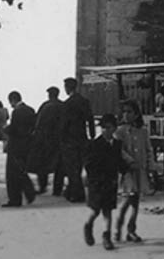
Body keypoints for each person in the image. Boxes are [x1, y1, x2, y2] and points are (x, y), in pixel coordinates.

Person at [113, 100, 155, 242]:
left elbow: (148, 149)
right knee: (127, 199)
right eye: (124, 112)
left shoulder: (143, 131)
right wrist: (130, 161)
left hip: (140, 170)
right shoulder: (119, 132)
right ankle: (119, 226)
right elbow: (119, 150)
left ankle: (131, 229)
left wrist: (151, 166)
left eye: (129, 112)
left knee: (135, 200)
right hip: (127, 171)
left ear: (136, 114)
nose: (126, 114)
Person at [83, 113, 125, 250]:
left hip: (110, 182)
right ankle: (88, 225)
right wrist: (93, 179)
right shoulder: (95, 145)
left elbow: (119, 161)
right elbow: (89, 164)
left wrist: (126, 169)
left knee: (108, 210)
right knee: (96, 210)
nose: (105, 130)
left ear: (114, 128)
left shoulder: (117, 145)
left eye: (108, 127)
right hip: (97, 183)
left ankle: (106, 236)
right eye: (103, 127)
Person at [60, 77, 95, 203]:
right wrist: (92, 135)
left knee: (72, 168)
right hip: (82, 138)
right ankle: (72, 192)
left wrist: (62, 138)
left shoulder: (67, 104)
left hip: (70, 140)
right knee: (79, 166)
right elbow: (90, 119)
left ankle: (77, 194)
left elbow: (64, 124)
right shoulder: (84, 101)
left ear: (68, 88)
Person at [1, 91, 37, 208]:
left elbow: (15, 128)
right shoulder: (30, 110)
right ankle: (29, 192)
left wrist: (6, 130)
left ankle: (15, 199)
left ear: (13, 100)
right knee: (21, 170)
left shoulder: (16, 112)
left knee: (12, 174)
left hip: (16, 145)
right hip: (27, 145)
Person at [28, 86, 64, 194]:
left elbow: (37, 122)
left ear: (49, 95)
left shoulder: (45, 106)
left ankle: (42, 186)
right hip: (59, 139)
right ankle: (57, 189)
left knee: (42, 166)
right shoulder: (63, 106)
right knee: (59, 166)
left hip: (45, 140)